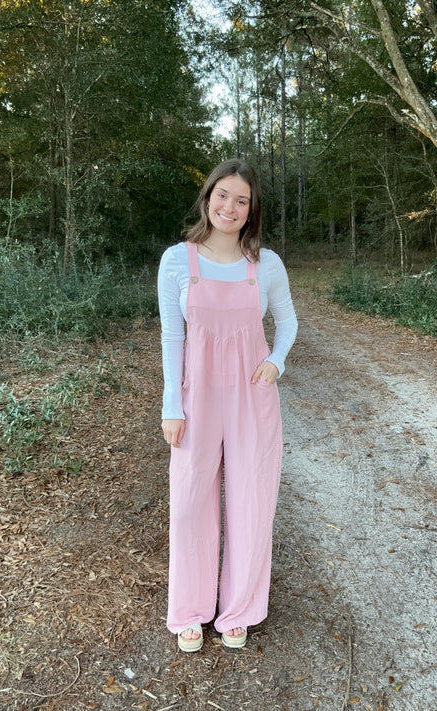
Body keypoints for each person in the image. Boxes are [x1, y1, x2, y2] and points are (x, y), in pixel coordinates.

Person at [157, 159, 297, 652]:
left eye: (242, 200)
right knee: (191, 500)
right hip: (197, 397)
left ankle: (238, 608)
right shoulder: (178, 260)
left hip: (252, 397)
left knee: (252, 496)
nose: (230, 207)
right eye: (223, 195)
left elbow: (289, 321)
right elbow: (172, 335)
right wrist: (171, 403)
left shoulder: (267, 264)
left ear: (251, 208)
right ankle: (191, 609)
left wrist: (276, 362)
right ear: (207, 197)